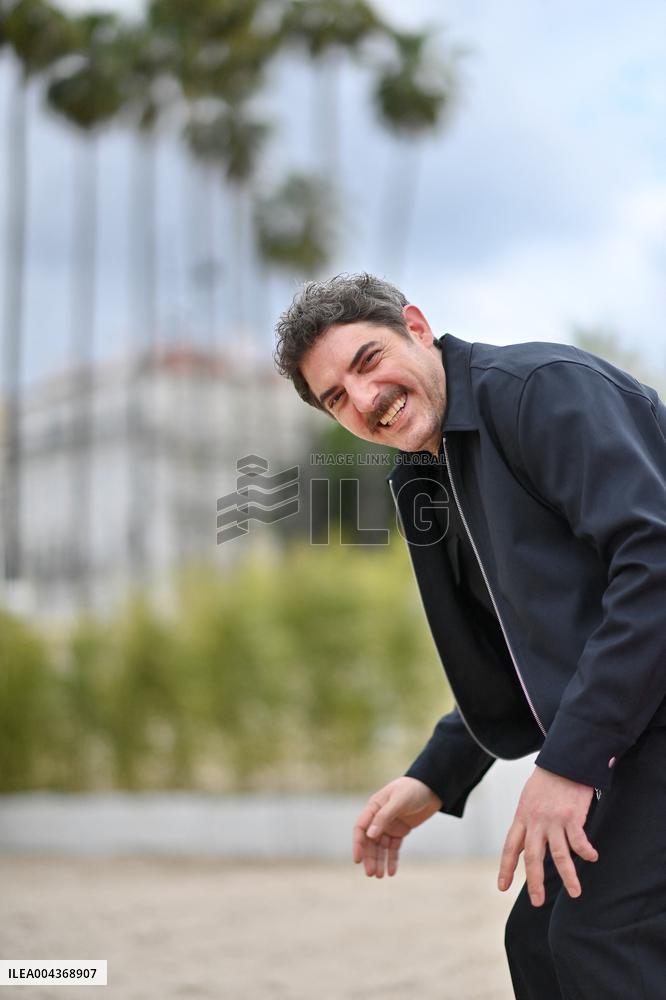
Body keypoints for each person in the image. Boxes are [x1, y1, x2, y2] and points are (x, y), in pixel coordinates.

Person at [273, 273, 666, 1000]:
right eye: (336, 397)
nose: (365, 401)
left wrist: (572, 764)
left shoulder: (542, 392)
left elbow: (656, 567)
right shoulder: (425, 475)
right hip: (634, 722)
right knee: (541, 938)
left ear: (416, 326)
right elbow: (516, 649)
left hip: (645, 716)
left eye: (366, 362)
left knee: (603, 936)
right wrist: (438, 773)